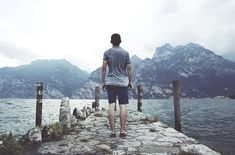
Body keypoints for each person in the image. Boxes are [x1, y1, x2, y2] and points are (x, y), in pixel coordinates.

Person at [102, 33, 132, 138]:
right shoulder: (126, 53)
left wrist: (103, 81)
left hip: (110, 82)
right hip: (123, 82)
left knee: (111, 105)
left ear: (111, 41)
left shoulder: (106, 53)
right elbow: (129, 68)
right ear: (120, 41)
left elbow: (104, 68)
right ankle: (123, 130)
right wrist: (130, 81)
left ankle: (113, 131)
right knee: (122, 105)